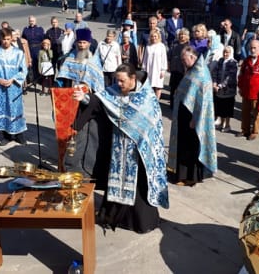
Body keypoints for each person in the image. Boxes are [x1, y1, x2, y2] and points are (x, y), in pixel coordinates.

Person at [73, 64, 169, 233]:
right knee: (116, 179)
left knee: (138, 184)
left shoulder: (146, 96)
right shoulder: (115, 91)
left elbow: (152, 123)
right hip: (118, 145)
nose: (119, 84)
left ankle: (140, 221)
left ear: (133, 79)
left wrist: (144, 141)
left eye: (122, 80)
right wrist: (85, 98)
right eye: (117, 80)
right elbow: (100, 101)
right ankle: (113, 217)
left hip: (138, 149)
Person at [55, 28, 104, 174]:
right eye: (79, 42)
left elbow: (98, 85)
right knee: (67, 132)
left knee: (82, 134)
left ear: (89, 43)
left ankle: (83, 165)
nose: (81, 45)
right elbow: (62, 77)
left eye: (84, 42)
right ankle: (67, 163)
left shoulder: (93, 60)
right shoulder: (70, 58)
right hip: (69, 100)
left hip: (84, 103)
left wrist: (87, 92)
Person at [168, 46, 217, 186]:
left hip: (193, 119)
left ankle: (190, 177)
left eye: (185, 60)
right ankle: (181, 174)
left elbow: (201, 101)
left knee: (190, 148)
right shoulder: (192, 70)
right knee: (183, 146)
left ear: (192, 57)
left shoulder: (200, 73)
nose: (183, 62)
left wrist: (195, 119)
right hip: (184, 116)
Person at [237, 39, 259, 140]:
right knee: (245, 112)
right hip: (246, 91)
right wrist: (240, 87)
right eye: (251, 48)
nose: (252, 50)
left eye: (254, 48)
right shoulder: (246, 60)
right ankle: (245, 130)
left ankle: (254, 132)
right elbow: (241, 75)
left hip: (258, 93)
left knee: (257, 114)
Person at [211, 46, 238, 132]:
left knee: (228, 109)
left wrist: (220, 86)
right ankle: (221, 123)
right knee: (221, 108)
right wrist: (214, 83)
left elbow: (229, 77)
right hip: (219, 90)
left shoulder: (233, 62)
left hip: (228, 90)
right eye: (224, 52)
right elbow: (215, 72)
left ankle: (227, 125)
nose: (225, 54)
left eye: (227, 52)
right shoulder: (220, 60)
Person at [141, 29, 168, 99]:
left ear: (158, 37)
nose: (154, 38)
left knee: (158, 86)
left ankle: (157, 102)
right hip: (149, 69)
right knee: (149, 86)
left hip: (158, 69)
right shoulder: (148, 46)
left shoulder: (161, 46)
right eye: (152, 36)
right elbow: (145, 58)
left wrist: (163, 70)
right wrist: (143, 68)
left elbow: (164, 59)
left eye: (155, 36)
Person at [168, 27, 190, 109]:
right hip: (174, 69)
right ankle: (172, 104)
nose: (182, 36)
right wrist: (169, 65)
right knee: (173, 88)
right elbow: (169, 56)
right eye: (181, 34)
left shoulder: (188, 45)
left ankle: (181, 105)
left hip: (183, 70)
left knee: (181, 88)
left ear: (187, 36)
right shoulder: (174, 44)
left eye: (184, 34)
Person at [22, 15, 45, 85]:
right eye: (30, 21)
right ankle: (33, 80)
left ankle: (40, 80)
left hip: (38, 48)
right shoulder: (25, 29)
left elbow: (43, 39)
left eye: (33, 21)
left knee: (39, 64)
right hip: (29, 49)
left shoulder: (40, 29)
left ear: (35, 21)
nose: (31, 22)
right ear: (28, 21)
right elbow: (23, 39)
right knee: (31, 65)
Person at [12, 29, 32, 95]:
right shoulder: (10, 44)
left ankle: (24, 88)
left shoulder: (20, 41)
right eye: (14, 35)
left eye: (17, 34)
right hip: (14, 63)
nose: (16, 36)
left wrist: (29, 60)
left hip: (22, 60)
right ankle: (18, 88)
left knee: (23, 75)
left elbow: (26, 51)